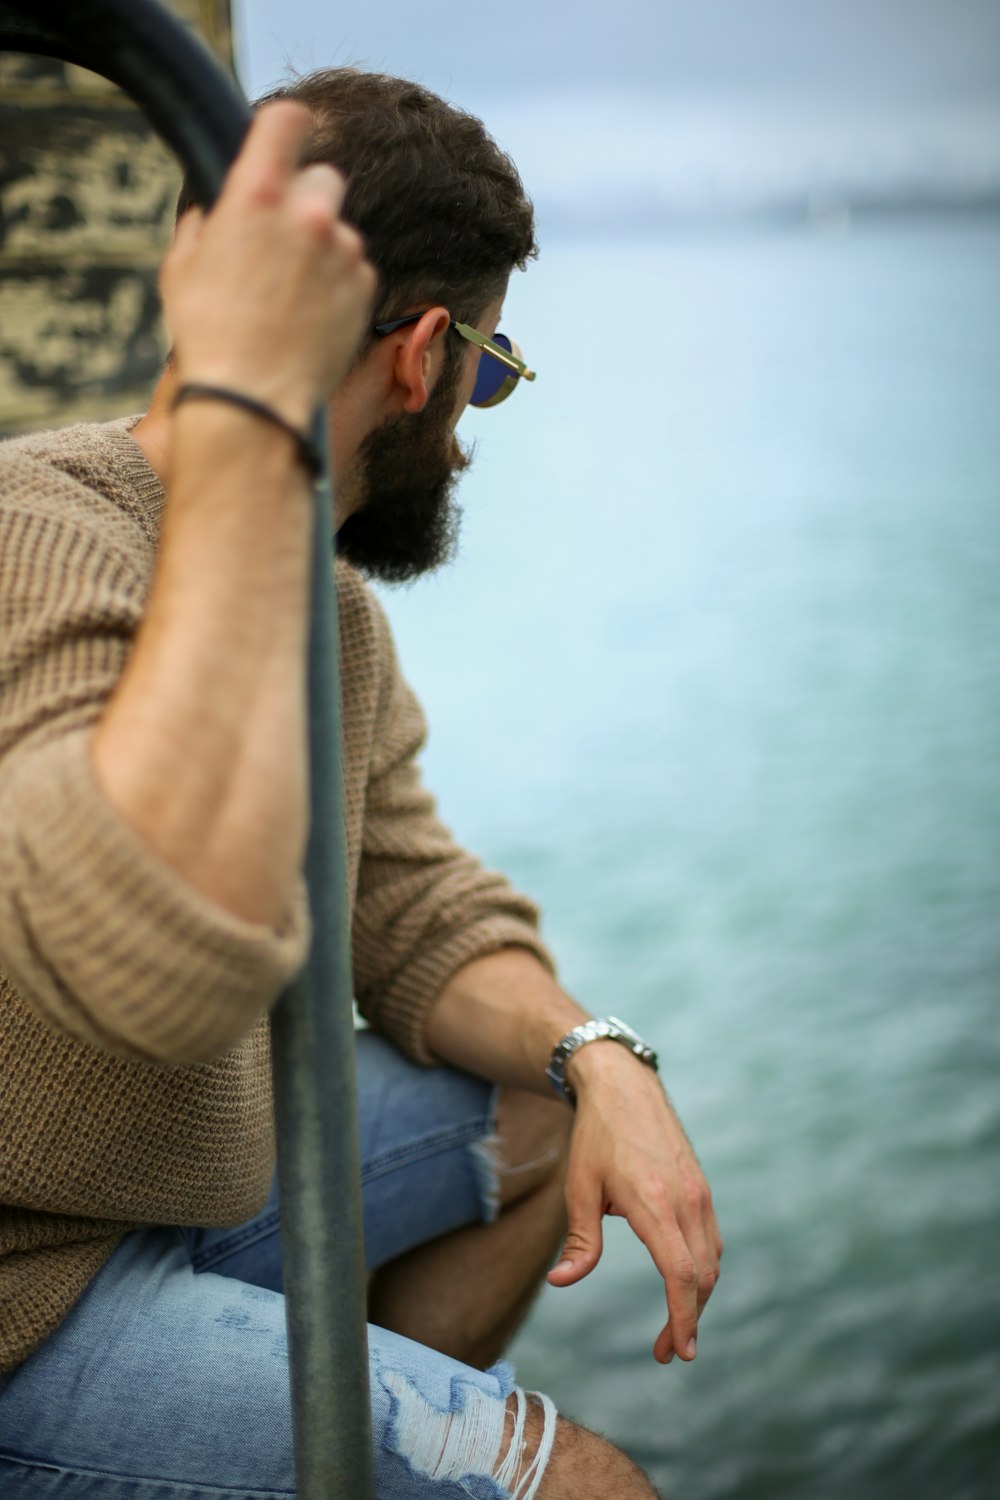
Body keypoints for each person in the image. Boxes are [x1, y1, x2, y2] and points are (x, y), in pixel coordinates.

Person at [0, 69, 722, 1499]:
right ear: (426, 354)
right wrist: (249, 450)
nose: (469, 423)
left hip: (168, 1199)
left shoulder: (327, 609)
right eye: (492, 371)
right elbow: (137, 958)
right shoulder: (36, 537)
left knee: (542, 1111)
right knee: (595, 1491)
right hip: (23, 1286)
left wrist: (603, 1058)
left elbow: (413, 910)